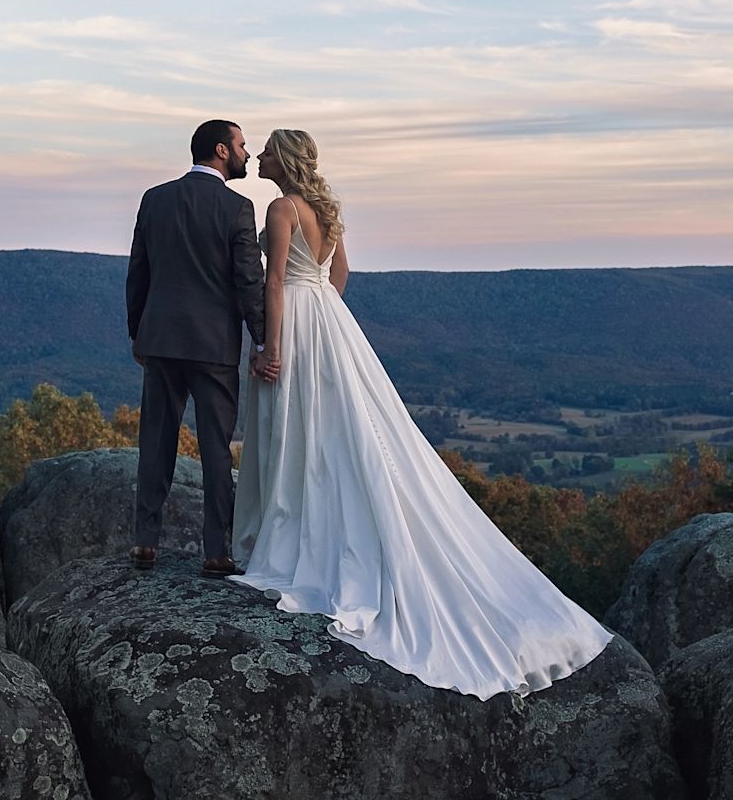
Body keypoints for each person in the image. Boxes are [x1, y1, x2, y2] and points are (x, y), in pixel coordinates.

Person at [228, 128, 612, 699]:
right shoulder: (327, 212)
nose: (255, 156)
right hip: (330, 322)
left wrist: (274, 346)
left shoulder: (282, 207)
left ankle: (286, 527)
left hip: (298, 323)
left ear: (281, 161)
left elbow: (278, 279)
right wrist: (328, 316)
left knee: (297, 429)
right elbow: (340, 275)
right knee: (338, 431)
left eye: (264, 151)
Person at [124, 118, 271, 578]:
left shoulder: (155, 199)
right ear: (222, 151)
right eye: (243, 145)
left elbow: (138, 273)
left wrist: (138, 334)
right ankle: (215, 551)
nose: (248, 153)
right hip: (213, 346)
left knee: (156, 442)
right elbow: (249, 281)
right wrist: (264, 338)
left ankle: (145, 542)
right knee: (215, 448)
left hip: (161, 340)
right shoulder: (237, 208)